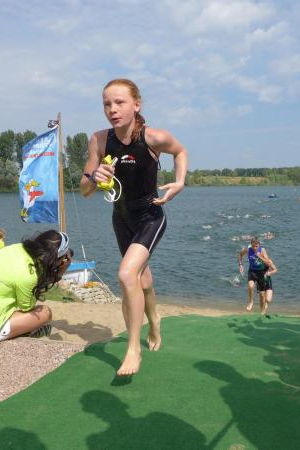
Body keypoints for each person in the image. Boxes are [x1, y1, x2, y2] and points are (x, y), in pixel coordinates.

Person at [80, 78, 188, 376]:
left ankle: (133, 350)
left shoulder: (154, 138)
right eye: (107, 104)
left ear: (136, 105)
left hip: (150, 216)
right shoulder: (99, 140)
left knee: (127, 275)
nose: (112, 109)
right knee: (141, 278)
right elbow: (84, 190)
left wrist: (179, 181)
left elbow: (180, 151)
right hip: (121, 218)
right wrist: (95, 177)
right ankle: (154, 320)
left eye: (119, 102)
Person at [237, 237, 278, 314]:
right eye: (253, 246)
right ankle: (250, 302)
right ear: (251, 244)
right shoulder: (248, 249)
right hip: (252, 271)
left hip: (261, 273)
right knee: (250, 286)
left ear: (259, 245)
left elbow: (268, 262)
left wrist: (260, 256)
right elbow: (240, 254)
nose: (255, 248)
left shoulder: (262, 250)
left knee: (262, 295)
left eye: (256, 246)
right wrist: (240, 265)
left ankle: (262, 311)